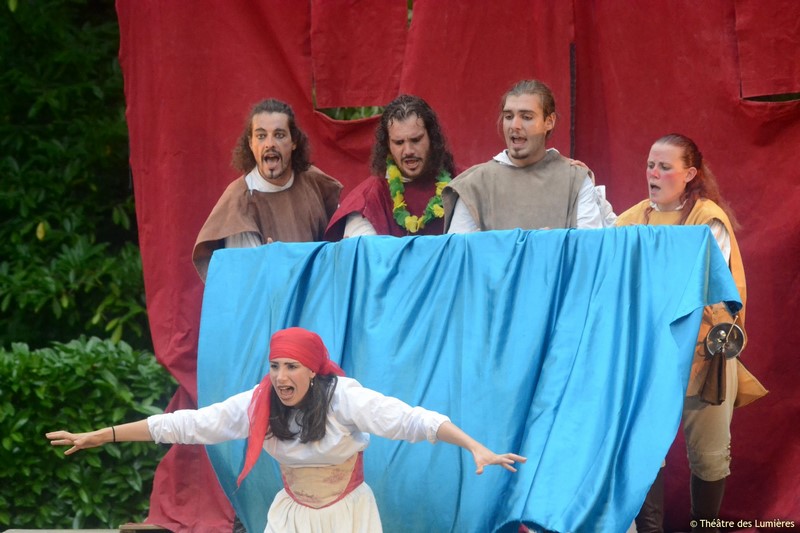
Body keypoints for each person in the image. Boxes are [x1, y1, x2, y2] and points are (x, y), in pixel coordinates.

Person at [47, 327, 526, 533]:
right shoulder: (258, 403)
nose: (280, 376)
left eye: (291, 366)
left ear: (313, 371)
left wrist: (474, 447)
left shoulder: (344, 398)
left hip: (347, 517)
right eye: (274, 365)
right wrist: (103, 435)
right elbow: (188, 424)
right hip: (292, 516)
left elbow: (413, 420)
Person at [616, 134, 766, 533]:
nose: (653, 173)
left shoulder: (707, 219)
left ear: (689, 174)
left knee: (710, 456)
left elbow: (701, 286)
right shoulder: (629, 221)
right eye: (651, 165)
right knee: (646, 450)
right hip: (649, 355)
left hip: (704, 352)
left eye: (665, 167)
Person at [193, 99, 342, 280]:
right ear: (251, 143)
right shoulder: (240, 201)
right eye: (261, 136)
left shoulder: (314, 182)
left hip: (318, 289)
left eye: (279, 135)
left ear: (294, 141)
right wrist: (269, 262)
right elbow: (250, 280)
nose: (270, 144)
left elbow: (339, 243)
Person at [443, 79, 616, 233]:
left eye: (526, 117)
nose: (515, 125)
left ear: (549, 121)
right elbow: (458, 252)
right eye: (508, 116)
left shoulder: (575, 179)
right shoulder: (474, 183)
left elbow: (589, 247)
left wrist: (555, 245)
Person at [324, 94, 457, 239]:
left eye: (416, 140)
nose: (408, 151)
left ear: (432, 138)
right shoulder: (368, 199)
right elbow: (366, 252)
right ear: (387, 145)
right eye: (399, 143)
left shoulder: (460, 185)